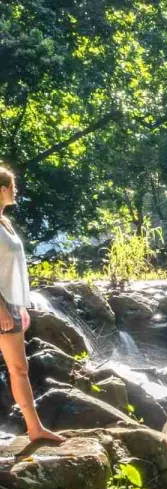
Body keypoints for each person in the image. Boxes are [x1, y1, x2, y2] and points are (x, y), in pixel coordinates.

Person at [0, 166, 64, 442]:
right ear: (2, 190)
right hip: (1, 305)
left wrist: (20, 305)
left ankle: (34, 428)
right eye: (13, 187)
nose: (16, 191)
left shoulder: (4, 223)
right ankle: (35, 428)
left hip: (10, 303)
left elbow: (11, 269)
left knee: (19, 368)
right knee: (18, 368)